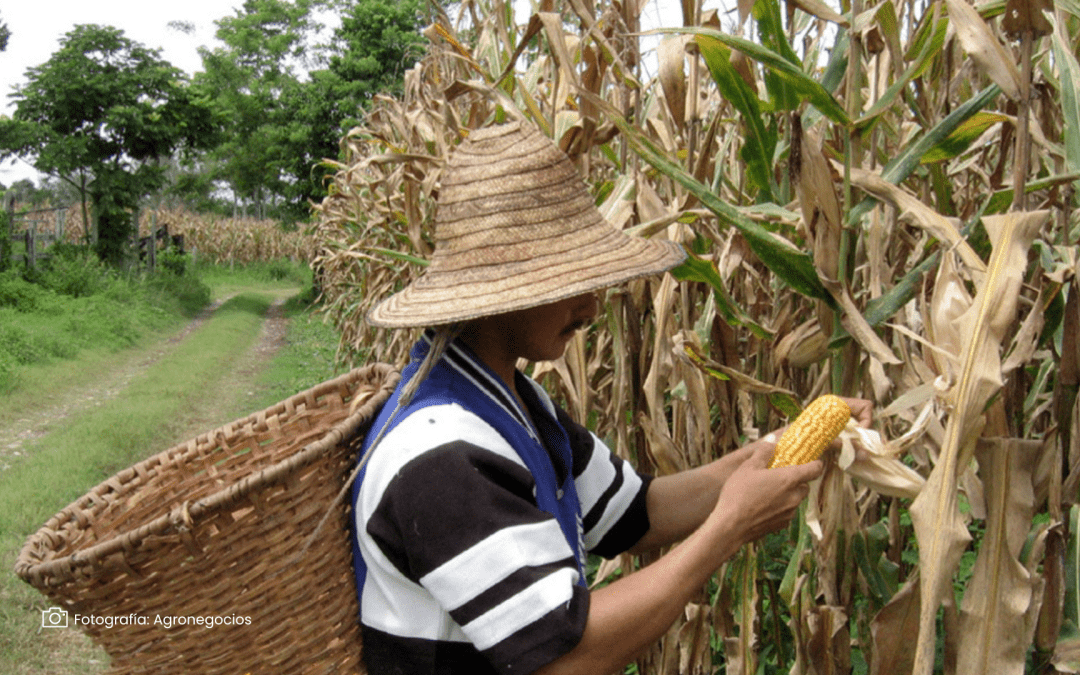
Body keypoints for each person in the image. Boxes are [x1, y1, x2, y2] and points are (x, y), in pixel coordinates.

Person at [350, 121, 861, 675]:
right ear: (505, 292)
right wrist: (729, 527)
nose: (593, 309)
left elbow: (636, 514)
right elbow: (565, 656)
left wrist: (779, 451)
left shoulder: (517, 404)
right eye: (575, 284)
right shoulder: (441, 453)